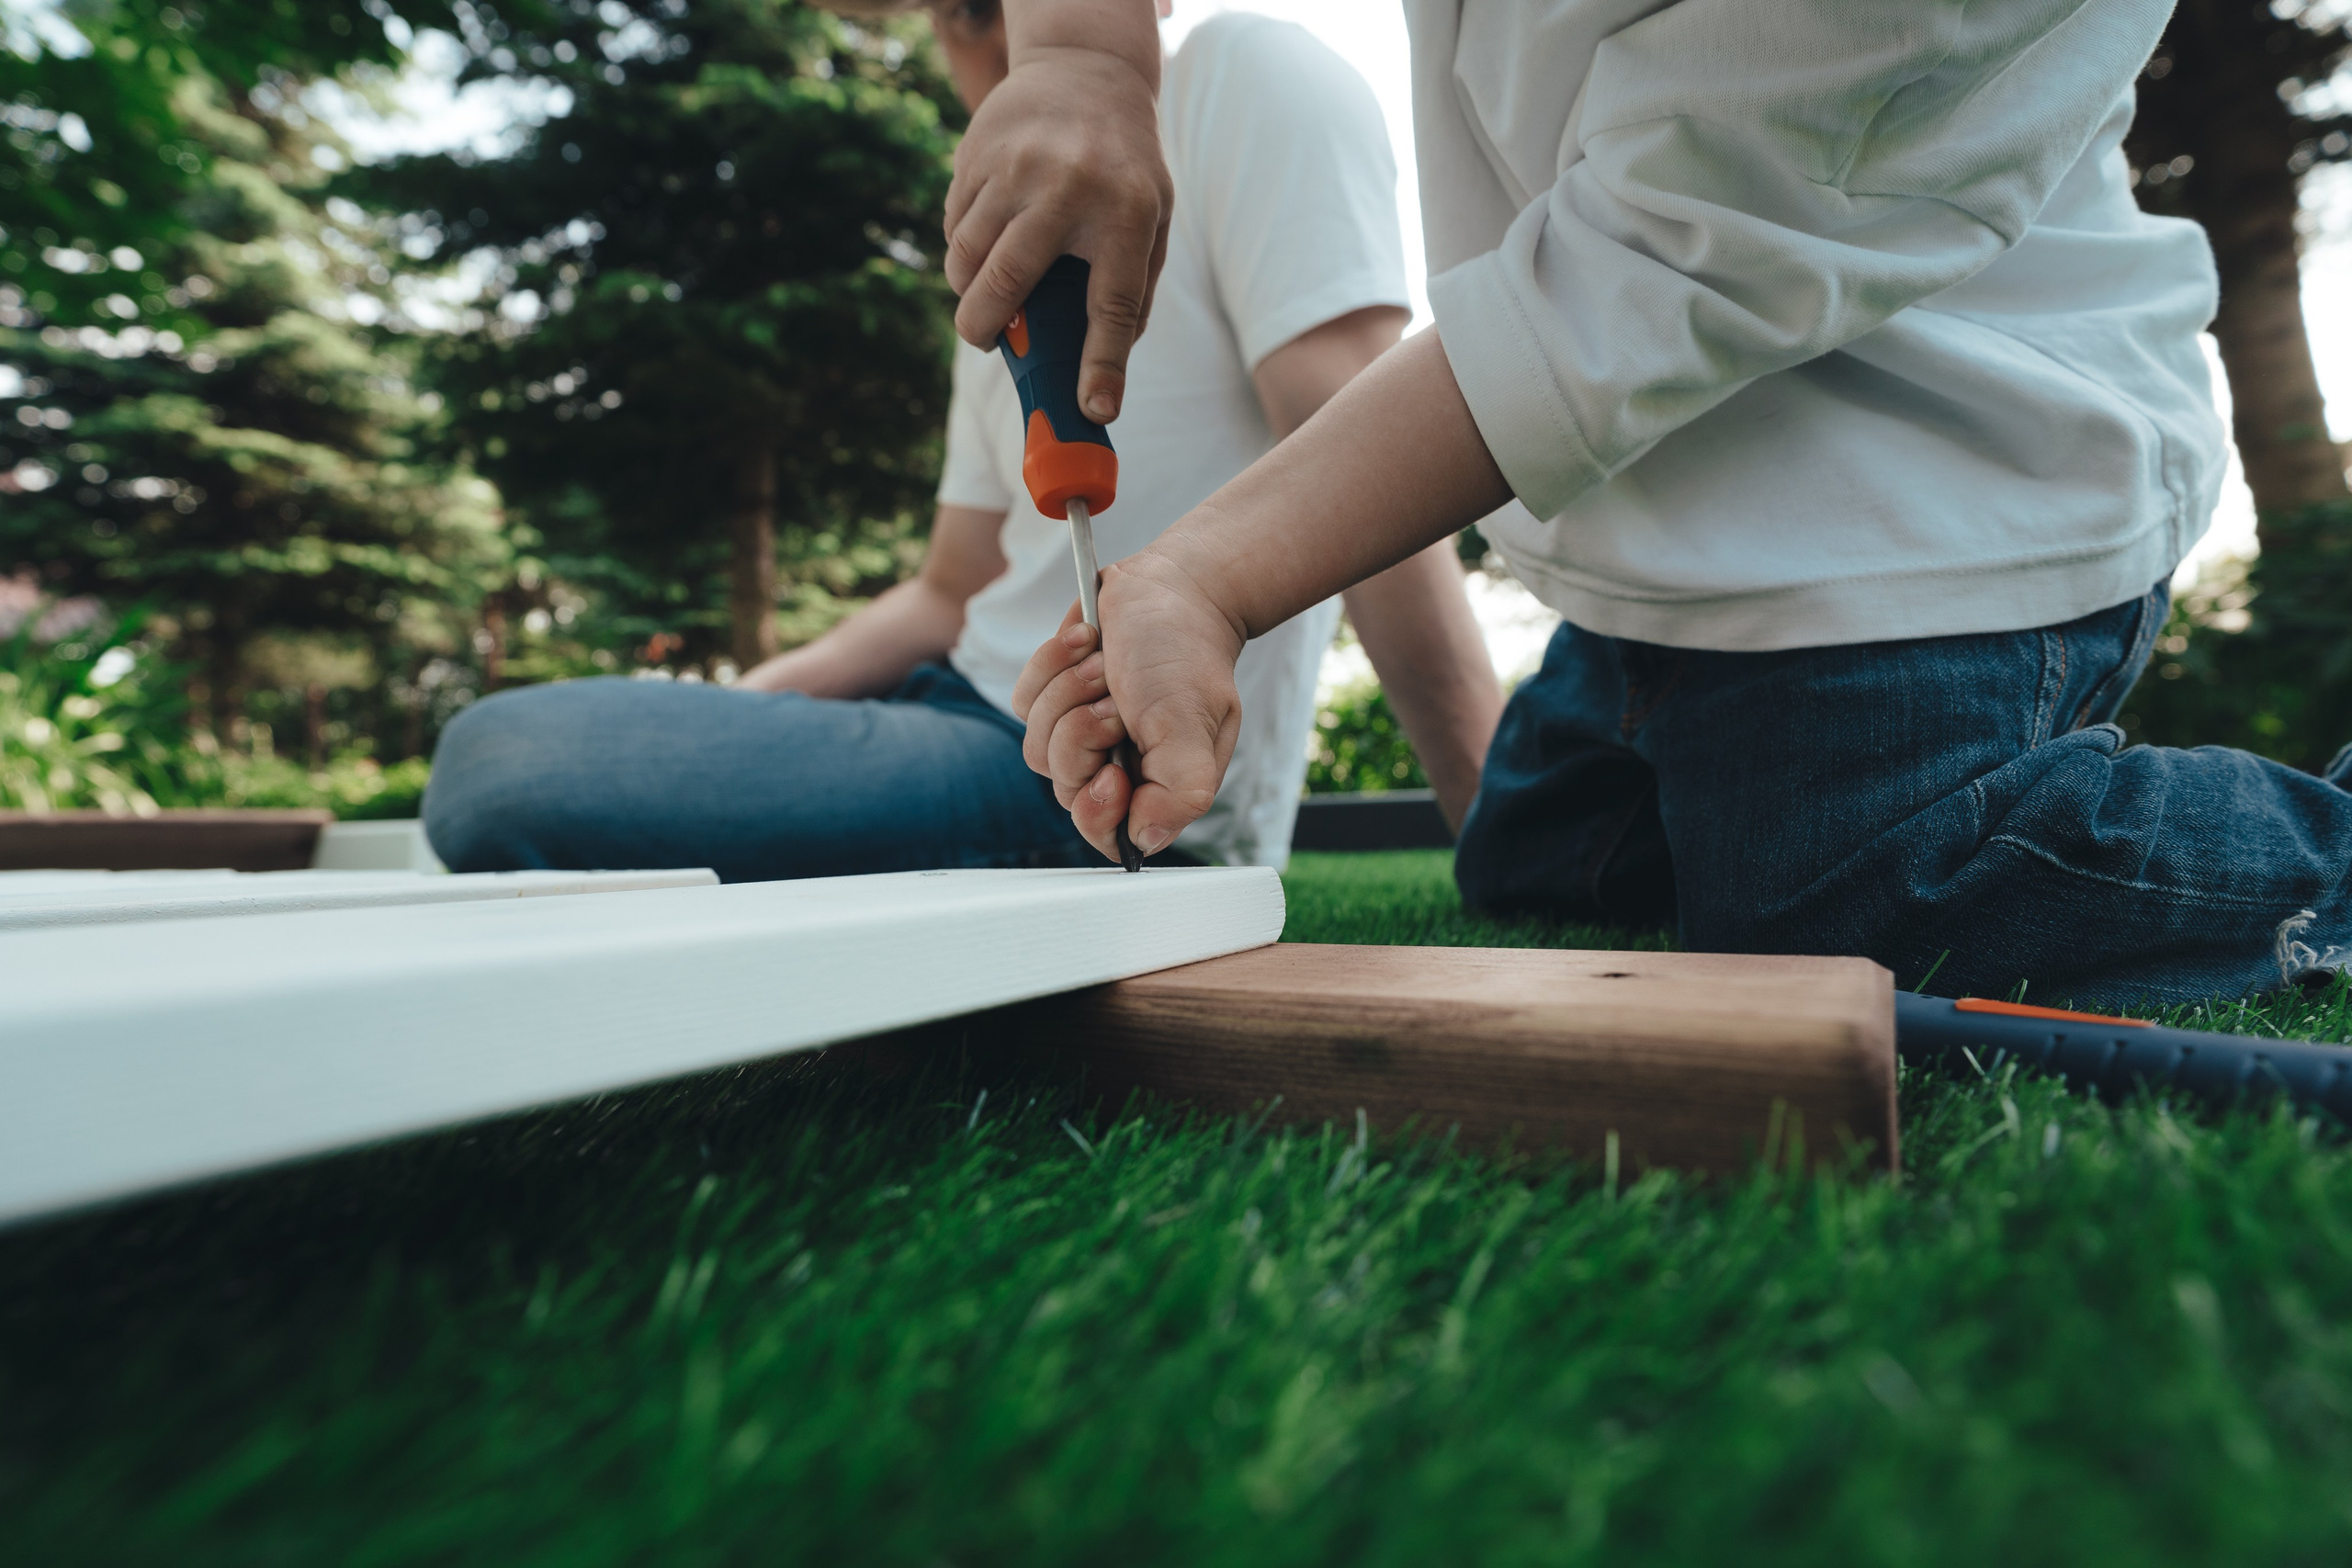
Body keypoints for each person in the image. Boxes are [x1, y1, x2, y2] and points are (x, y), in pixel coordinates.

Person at [1001, 0, 2352, 1007]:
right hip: (1667, 519)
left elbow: (1644, 267)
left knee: (1843, 901)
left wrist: (1204, 577)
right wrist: (1085, 59)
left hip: (1930, 489)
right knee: (1526, 854)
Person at [423, 0, 1501, 881]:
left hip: (1070, 778)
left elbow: (1355, 442)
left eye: (1000, 7)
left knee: (497, 763)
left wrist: (1487, 813)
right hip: (959, 711)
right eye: (955, 12)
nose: (988, 51)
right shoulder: (999, 229)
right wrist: (729, 720)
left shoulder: (1248, 73)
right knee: (534, 749)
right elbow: (949, 592)